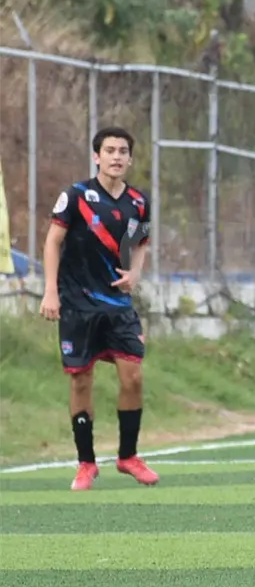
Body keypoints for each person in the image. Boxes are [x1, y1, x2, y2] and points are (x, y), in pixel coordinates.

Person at [39, 127, 159, 491]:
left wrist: (136, 272)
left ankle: (128, 456)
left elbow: (141, 242)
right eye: (109, 150)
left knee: (133, 377)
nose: (116, 156)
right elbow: (52, 242)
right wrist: (50, 292)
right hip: (77, 304)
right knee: (81, 379)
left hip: (118, 305)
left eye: (123, 151)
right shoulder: (76, 196)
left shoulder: (138, 201)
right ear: (97, 156)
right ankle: (86, 463)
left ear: (130, 159)